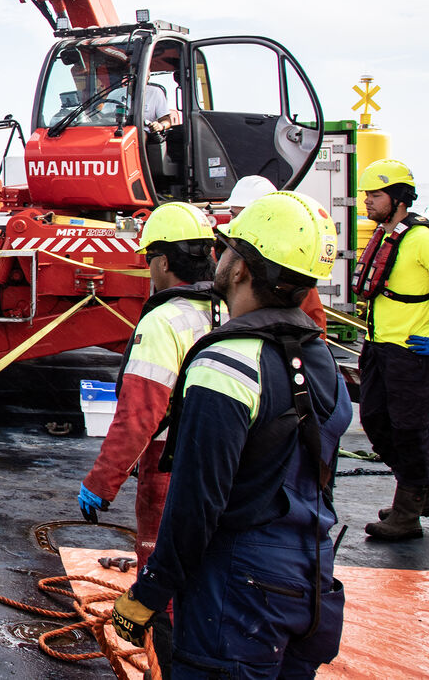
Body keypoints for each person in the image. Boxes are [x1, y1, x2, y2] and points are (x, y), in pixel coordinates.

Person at [112, 191, 349, 678]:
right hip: (312, 581)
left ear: (241, 269)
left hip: (240, 594)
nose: (217, 257)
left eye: (229, 248)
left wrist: (149, 594)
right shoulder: (323, 360)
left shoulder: (227, 363)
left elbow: (198, 502)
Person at [77, 202, 222, 573]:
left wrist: (102, 481)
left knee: (163, 570)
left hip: (169, 460)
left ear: (162, 262)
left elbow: (140, 415)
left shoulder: (165, 321)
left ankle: (163, 628)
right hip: (224, 458)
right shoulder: (227, 311)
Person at [351, 159, 429, 539]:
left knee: (409, 429)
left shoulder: (422, 240)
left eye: (375, 195)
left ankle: (408, 514)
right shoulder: (388, 236)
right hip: (378, 347)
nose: (367, 203)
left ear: (398, 198)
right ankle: (419, 490)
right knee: (375, 420)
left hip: (411, 353)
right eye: (366, 195)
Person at [223, 175, 328, 332]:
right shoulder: (224, 255)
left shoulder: (287, 264)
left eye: (243, 216)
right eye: (233, 214)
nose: (235, 223)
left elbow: (314, 323)